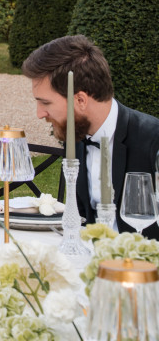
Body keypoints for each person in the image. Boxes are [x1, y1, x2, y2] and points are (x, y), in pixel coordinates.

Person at [25, 34, 159, 238]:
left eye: (45, 102)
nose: (39, 113)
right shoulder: (76, 135)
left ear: (80, 100)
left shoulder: (152, 139)